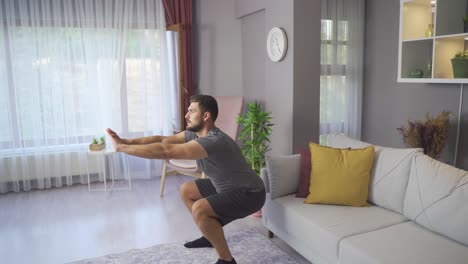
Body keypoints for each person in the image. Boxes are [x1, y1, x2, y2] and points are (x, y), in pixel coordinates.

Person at [106, 94, 266, 264]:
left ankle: (226, 260)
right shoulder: (195, 135)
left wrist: (122, 148)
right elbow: (162, 140)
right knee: (187, 190)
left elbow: (166, 151)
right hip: (226, 186)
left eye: (192, 111)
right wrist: (125, 141)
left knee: (200, 208)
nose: (186, 115)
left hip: (250, 193)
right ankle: (210, 235)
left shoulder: (214, 141)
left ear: (206, 116)